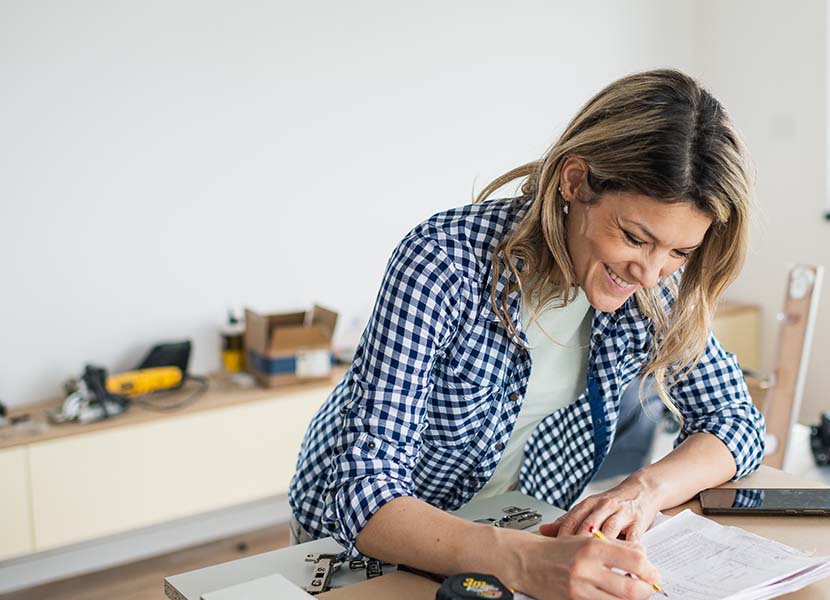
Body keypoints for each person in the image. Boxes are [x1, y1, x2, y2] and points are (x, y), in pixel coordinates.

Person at [288, 68, 765, 600]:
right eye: (634, 237)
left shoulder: (652, 288)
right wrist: (525, 560)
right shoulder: (443, 263)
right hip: (364, 546)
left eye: (680, 253)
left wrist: (640, 494)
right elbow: (361, 493)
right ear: (575, 181)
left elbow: (735, 421)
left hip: (506, 533)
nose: (650, 274)